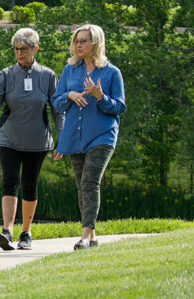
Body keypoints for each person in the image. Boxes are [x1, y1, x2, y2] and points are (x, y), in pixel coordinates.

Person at [0, 28, 64, 250]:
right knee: (10, 181)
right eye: (16, 49)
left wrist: (62, 137)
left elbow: (57, 109)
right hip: (9, 137)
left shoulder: (47, 76)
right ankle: (7, 231)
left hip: (37, 140)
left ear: (35, 49)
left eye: (24, 49)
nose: (19, 53)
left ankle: (25, 233)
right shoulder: (6, 75)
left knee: (30, 184)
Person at [51, 24, 126, 250]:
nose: (79, 45)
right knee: (81, 186)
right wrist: (70, 95)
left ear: (96, 43)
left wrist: (100, 96)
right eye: (77, 41)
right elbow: (56, 102)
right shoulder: (70, 70)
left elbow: (119, 107)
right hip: (75, 137)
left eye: (84, 41)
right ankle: (92, 238)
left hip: (102, 136)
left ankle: (83, 236)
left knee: (90, 181)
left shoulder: (112, 72)